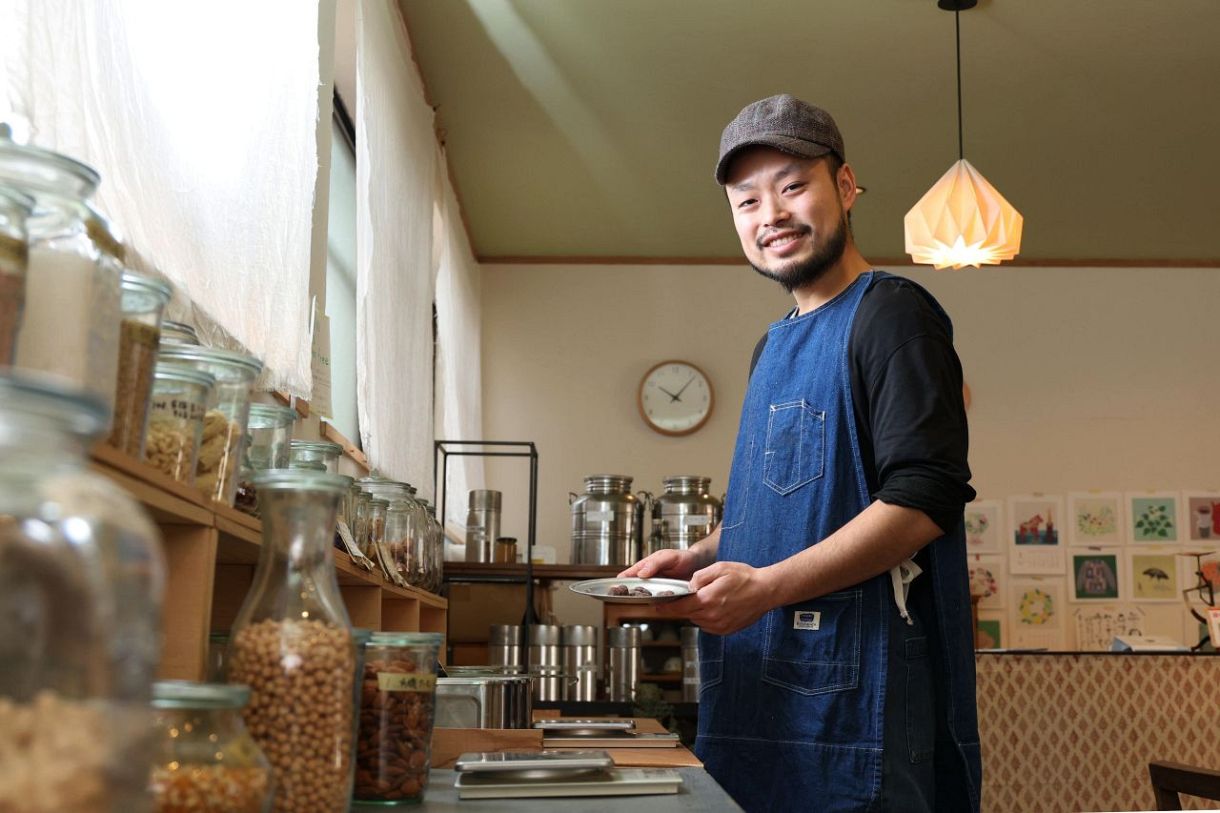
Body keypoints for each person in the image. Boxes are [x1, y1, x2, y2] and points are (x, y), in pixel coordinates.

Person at [621, 94, 981, 812]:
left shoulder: (893, 316)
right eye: (746, 201)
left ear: (844, 188)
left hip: (856, 699)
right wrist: (695, 556)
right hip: (762, 692)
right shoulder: (773, 344)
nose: (771, 215)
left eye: (792, 186)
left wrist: (769, 588)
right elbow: (788, 502)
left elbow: (923, 499)